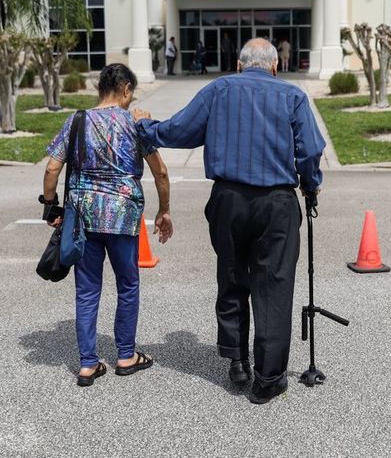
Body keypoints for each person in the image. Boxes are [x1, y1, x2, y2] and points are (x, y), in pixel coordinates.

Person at [134, 39, 325, 404]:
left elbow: (180, 130)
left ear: (239, 65)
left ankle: (237, 359)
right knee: (273, 286)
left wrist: (145, 128)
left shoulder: (219, 89)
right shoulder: (293, 96)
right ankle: (268, 378)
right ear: (275, 66)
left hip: (229, 199)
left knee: (232, 275)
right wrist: (310, 185)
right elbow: (311, 151)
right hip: (277, 202)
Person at [41, 63, 174, 387]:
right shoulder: (135, 124)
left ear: (100, 88)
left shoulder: (77, 120)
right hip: (123, 217)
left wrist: (50, 206)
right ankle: (126, 355)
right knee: (127, 285)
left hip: (84, 217)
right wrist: (164, 210)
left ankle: (88, 364)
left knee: (87, 290)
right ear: (126, 89)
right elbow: (160, 172)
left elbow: (52, 168)